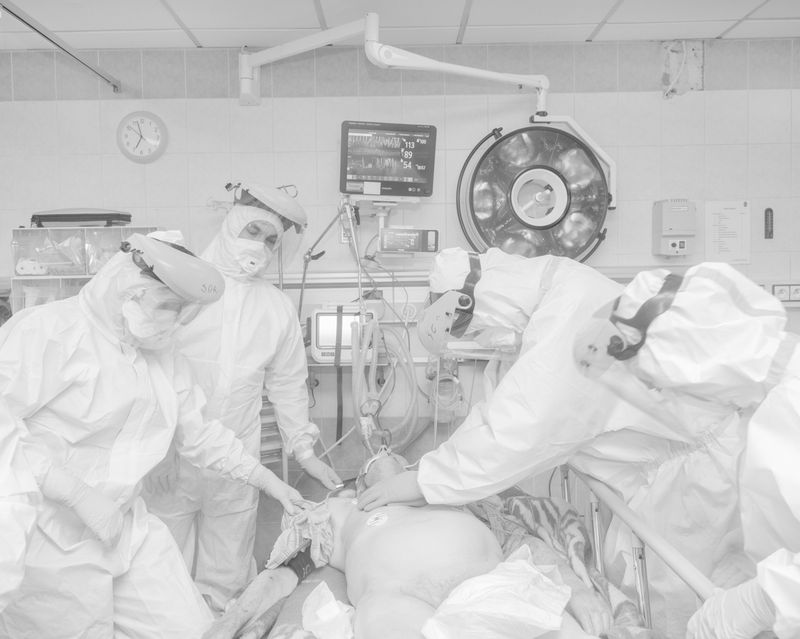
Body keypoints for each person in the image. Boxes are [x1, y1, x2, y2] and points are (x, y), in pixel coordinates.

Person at [356, 247, 748, 636]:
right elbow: (498, 415)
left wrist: (422, 480)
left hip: (699, 476)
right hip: (663, 473)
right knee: (672, 598)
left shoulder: (570, 308)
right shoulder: (549, 305)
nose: (476, 337)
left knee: (694, 603)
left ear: (469, 299)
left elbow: (519, 428)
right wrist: (427, 476)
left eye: (470, 327)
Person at [0, 232, 302, 638]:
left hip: (125, 526)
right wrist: (75, 493)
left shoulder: (158, 351)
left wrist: (266, 479)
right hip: (50, 539)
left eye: (183, 312)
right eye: (167, 307)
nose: (174, 322)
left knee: (192, 628)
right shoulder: (50, 331)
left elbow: (199, 431)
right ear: (128, 289)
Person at [572, 262, 800, 639]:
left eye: (660, 383)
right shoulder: (766, 405)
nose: (663, 395)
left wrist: (763, 599)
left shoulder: (790, 409)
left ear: (697, 363)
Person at [143, 183, 342, 614]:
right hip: (171, 456)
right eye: (254, 231)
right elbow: (146, 372)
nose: (263, 245)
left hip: (238, 459)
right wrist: (152, 453)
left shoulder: (275, 307)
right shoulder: (183, 287)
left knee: (227, 575)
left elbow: (288, 383)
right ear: (232, 225)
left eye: (272, 239)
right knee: (159, 566)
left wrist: (305, 452)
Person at [204, 450, 617, 639]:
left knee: (558, 628)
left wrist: (576, 591)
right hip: (393, 598)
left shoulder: (454, 491)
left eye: (395, 457)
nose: (383, 454)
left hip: (486, 581)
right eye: (371, 464)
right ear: (361, 484)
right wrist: (230, 623)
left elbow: (523, 543)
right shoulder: (340, 511)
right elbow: (283, 575)